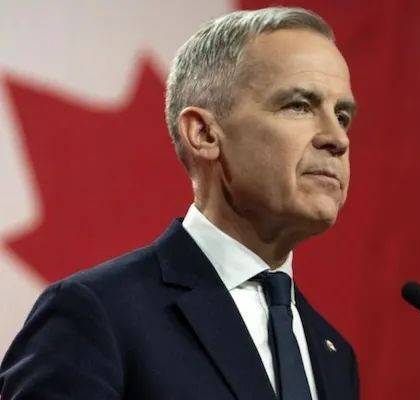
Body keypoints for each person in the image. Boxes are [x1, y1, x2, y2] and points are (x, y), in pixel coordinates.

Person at [0, 7, 358, 400]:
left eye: (342, 116)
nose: (337, 139)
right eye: (299, 105)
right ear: (204, 133)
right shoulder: (96, 314)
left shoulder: (334, 356)